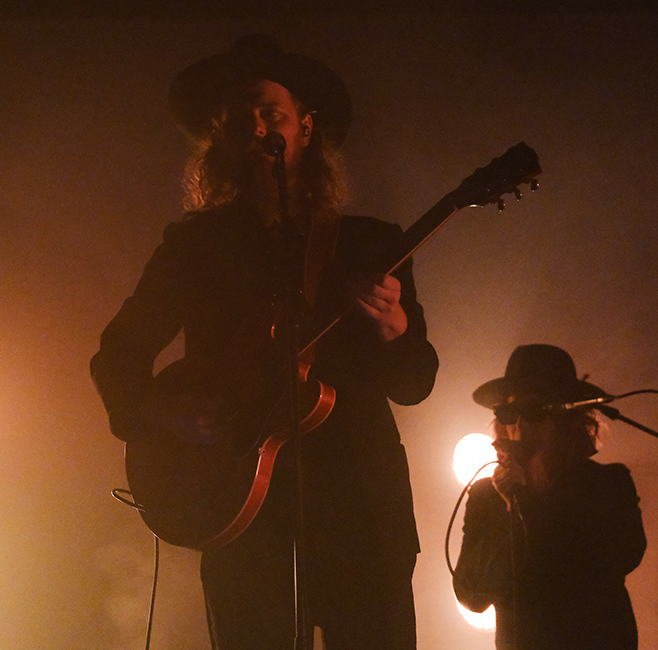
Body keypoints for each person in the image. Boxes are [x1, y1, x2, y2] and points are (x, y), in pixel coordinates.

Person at [90, 35, 438, 649]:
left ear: (305, 129)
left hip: (362, 512)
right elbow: (119, 352)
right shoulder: (194, 247)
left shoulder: (369, 245)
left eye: (269, 113)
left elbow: (414, 383)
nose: (254, 127)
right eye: (236, 118)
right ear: (218, 141)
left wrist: (395, 330)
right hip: (241, 509)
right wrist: (163, 411)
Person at [453, 344, 647, 650]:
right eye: (507, 411)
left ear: (567, 418)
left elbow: (623, 554)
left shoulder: (606, 483)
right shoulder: (487, 496)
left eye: (533, 410)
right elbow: (472, 594)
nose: (520, 424)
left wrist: (537, 498)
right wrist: (511, 510)